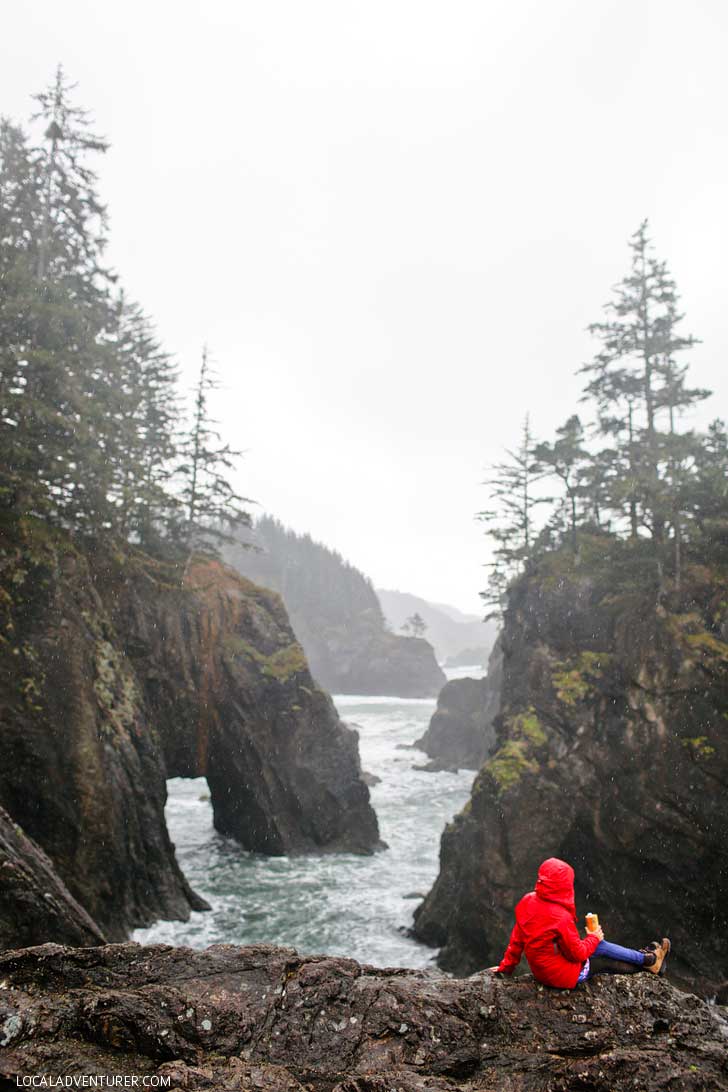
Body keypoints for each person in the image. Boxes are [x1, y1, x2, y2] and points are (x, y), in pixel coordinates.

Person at [489, 857, 671, 988]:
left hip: (542, 972)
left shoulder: (527, 901)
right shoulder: (560, 916)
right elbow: (577, 954)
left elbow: (516, 940)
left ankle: (648, 959)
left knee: (599, 946)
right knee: (606, 961)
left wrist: (506, 967)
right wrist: (593, 937)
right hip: (563, 977)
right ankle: (649, 964)